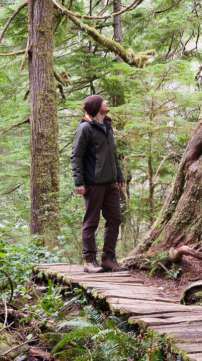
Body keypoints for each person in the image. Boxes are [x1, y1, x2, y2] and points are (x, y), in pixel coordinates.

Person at [70, 94, 126, 273]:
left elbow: (113, 153)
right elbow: (76, 156)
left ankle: (108, 259)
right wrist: (79, 182)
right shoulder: (85, 128)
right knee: (91, 221)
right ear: (96, 107)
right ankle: (89, 261)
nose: (107, 102)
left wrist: (119, 176)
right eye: (103, 101)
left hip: (111, 183)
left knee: (115, 219)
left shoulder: (107, 125)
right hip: (93, 183)